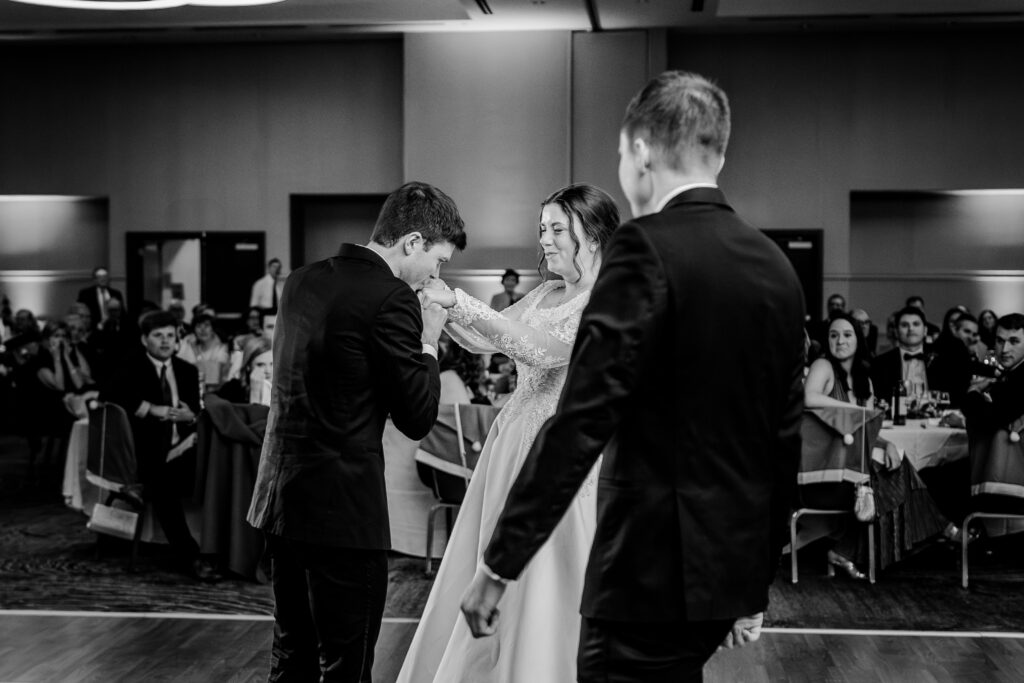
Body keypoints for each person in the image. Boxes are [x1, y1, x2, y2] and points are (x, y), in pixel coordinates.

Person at [460, 71, 806, 682]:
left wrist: (498, 565)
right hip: (722, 574)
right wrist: (755, 581)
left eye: (621, 151)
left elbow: (581, 422)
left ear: (641, 150)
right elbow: (781, 441)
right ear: (719, 151)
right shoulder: (774, 266)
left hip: (644, 571)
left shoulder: (642, 251)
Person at [397, 183, 620, 683]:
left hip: (560, 455)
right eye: (542, 229)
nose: (545, 240)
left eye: (558, 229)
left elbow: (542, 349)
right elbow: (483, 340)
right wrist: (444, 307)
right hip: (510, 447)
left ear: (597, 233)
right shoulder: (545, 292)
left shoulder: (608, 301)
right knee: (493, 568)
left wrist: (457, 299)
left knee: (548, 584)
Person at [247, 181, 466, 683]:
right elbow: (416, 417)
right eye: (439, 259)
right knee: (347, 666)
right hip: (342, 513)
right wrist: (429, 341)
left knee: (291, 655)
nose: (437, 273)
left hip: (280, 500)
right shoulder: (392, 298)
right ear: (411, 242)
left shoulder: (300, 280)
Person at [800, 314, 947, 576]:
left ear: (859, 339)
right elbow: (810, 398)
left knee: (895, 464)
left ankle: (845, 551)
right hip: (826, 469)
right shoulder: (823, 366)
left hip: (853, 467)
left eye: (847, 335)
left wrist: (887, 442)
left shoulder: (864, 380)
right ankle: (937, 529)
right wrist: (859, 411)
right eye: (834, 335)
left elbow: (865, 429)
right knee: (896, 474)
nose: (840, 341)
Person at [101, 311, 215, 581]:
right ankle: (190, 556)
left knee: (219, 466)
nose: (165, 342)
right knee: (163, 482)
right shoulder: (129, 367)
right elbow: (111, 396)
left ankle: (228, 551)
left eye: (170, 336)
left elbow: (195, 413)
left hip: (181, 449)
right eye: (157, 336)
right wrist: (150, 408)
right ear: (144, 339)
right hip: (145, 455)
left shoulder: (187, 371)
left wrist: (192, 417)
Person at [870, 306, 971, 410]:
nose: (911, 329)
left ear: (925, 330)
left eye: (916, 324)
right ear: (896, 331)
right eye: (904, 325)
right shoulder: (880, 363)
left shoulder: (945, 361)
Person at [177, 312, 231, 392]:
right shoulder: (189, 343)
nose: (203, 330)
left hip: (218, 391)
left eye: (206, 326)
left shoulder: (222, 348)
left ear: (213, 329)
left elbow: (213, 379)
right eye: (198, 326)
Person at [215, 336, 273, 405]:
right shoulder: (233, 389)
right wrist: (255, 392)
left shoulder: (285, 390)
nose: (268, 371)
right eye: (260, 365)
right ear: (248, 366)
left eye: (272, 364)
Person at [77, 266, 124, 330]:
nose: (103, 279)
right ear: (95, 279)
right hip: (93, 330)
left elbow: (122, 314)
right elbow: (80, 314)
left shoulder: (116, 294)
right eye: (100, 277)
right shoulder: (85, 294)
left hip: (112, 330)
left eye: (105, 276)